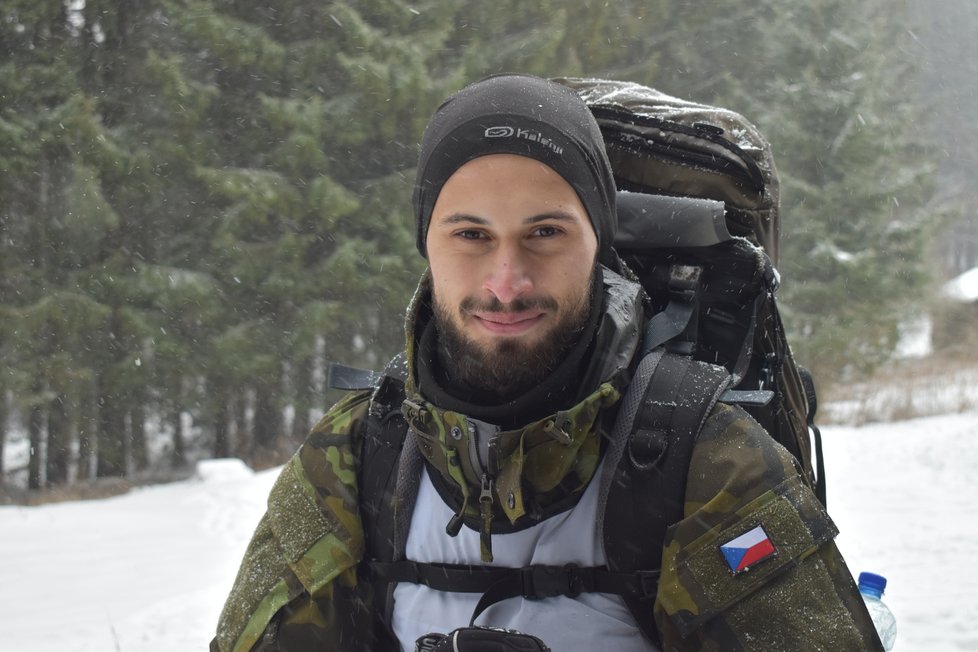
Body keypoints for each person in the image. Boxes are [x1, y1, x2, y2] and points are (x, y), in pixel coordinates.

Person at [211, 74, 883, 651]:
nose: (506, 280)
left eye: (546, 232)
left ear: (598, 242)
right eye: (471, 234)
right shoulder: (356, 455)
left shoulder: (703, 460)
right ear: (427, 244)